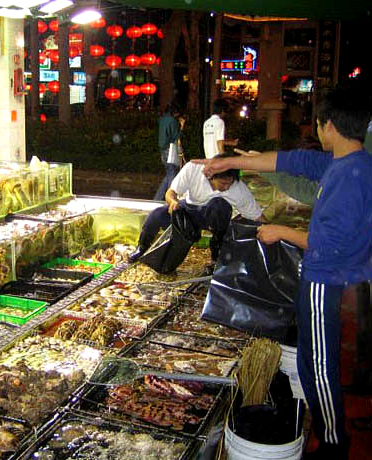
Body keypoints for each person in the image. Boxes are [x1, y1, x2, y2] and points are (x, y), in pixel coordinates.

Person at [194, 84, 372, 460]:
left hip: (328, 283)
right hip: (324, 280)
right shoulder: (345, 162)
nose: (318, 131)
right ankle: (328, 431)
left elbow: (329, 244)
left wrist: (280, 232)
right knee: (310, 360)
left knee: (320, 366)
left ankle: (333, 442)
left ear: (330, 127)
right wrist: (227, 163)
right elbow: (289, 162)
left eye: (319, 124)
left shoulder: (350, 176)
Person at [129, 152, 263, 266]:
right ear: (211, 176)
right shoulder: (193, 169)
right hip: (189, 209)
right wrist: (173, 203)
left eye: (230, 184)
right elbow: (170, 193)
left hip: (211, 216)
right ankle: (141, 247)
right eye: (223, 184)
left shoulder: (238, 189)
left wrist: (271, 228)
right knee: (156, 215)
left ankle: (216, 250)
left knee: (220, 205)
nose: (227, 187)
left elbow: (257, 215)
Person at [153, 103, 183, 201]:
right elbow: (176, 137)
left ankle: (158, 197)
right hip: (171, 149)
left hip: (162, 149)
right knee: (172, 174)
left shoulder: (161, 119)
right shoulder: (173, 121)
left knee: (168, 173)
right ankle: (171, 198)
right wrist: (181, 126)